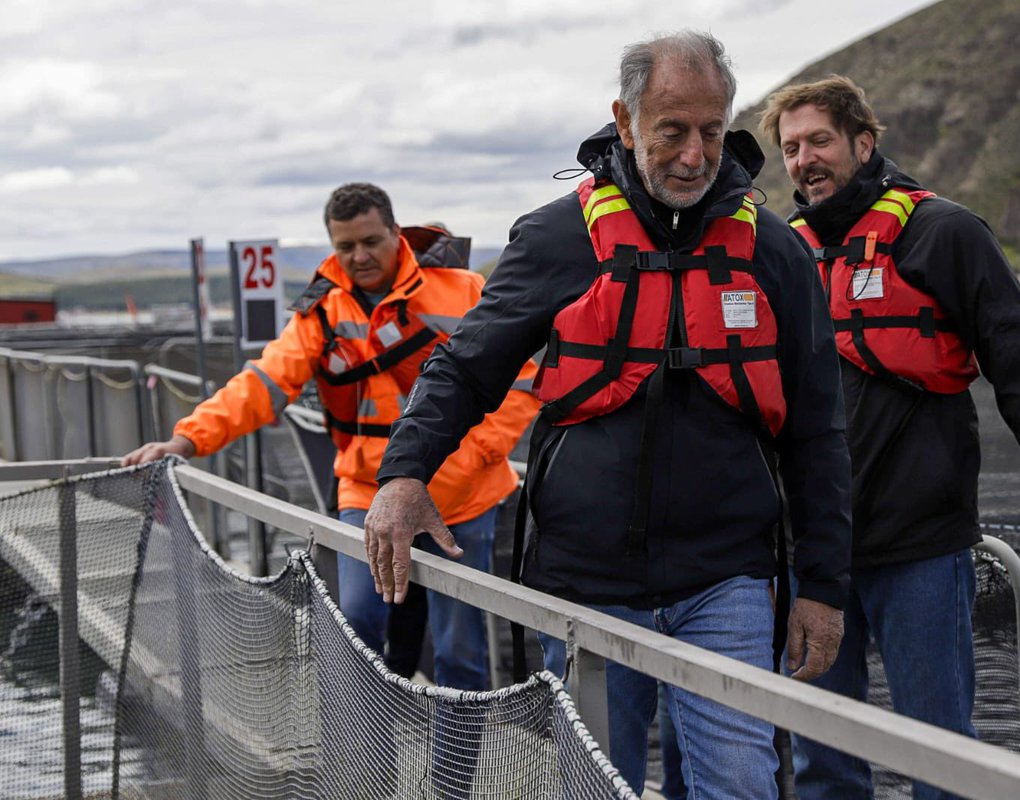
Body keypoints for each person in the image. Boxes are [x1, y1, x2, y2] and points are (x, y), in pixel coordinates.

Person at [364, 31, 853, 799]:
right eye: (672, 130)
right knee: (595, 783)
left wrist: (822, 585)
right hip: (586, 582)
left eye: (712, 131)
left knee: (740, 784)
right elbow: (465, 367)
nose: (694, 155)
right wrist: (403, 475)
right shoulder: (555, 237)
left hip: (727, 577)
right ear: (624, 122)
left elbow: (818, 429)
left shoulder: (773, 252)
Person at [758, 76, 1020, 799]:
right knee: (822, 764)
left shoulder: (945, 233)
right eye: (792, 147)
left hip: (920, 548)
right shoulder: (780, 253)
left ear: (864, 143)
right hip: (810, 554)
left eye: (820, 141)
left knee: (942, 758)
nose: (804, 160)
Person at [123, 182, 539, 691]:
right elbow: (263, 384)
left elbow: (521, 381)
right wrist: (186, 441)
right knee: (357, 619)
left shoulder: (463, 289)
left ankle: (453, 744)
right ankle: (365, 735)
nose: (359, 256)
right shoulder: (322, 311)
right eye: (346, 246)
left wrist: (473, 457)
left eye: (371, 241)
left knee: (461, 649)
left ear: (396, 232)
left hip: (465, 495)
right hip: (367, 489)